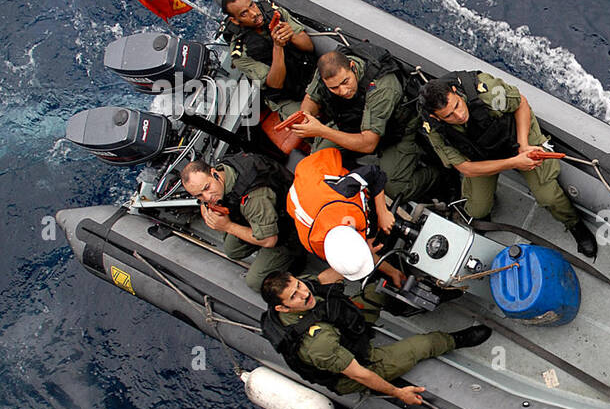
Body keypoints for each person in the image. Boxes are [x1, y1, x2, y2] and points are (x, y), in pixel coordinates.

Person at [416, 72, 598, 258]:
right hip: (481, 157)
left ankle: (574, 225)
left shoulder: (485, 93)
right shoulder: (435, 130)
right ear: (436, 117)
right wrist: (513, 163)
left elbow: (520, 104)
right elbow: (465, 168)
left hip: (516, 138)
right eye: (450, 115)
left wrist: (524, 146)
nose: (460, 114)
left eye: (457, 105)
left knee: (549, 197)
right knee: (477, 209)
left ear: (455, 91)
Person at [259, 271, 490, 403]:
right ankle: (455, 340)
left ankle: (419, 301)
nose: (304, 293)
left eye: (299, 286)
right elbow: (360, 374)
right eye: (294, 296)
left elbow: (323, 279)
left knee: (377, 289)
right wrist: (398, 393)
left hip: (345, 327)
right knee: (423, 345)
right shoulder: (319, 345)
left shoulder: (303, 291)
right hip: (356, 363)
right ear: (282, 308)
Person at [289, 48, 445, 202]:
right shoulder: (327, 73)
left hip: (396, 131)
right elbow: (311, 99)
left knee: (396, 189)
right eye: (334, 88)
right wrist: (306, 117)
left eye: (345, 82)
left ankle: (437, 173)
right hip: (354, 122)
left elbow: (369, 144)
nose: (343, 91)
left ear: (352, 67)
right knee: (318, 158)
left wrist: (321, 131)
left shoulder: (382, 87)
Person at [180, 154, 303, 290]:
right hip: (260, 217)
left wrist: (228, 226)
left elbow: (269, 240)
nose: (207, 197)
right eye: (199, 195)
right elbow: (206, 197)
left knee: (255, 282)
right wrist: (205, 206)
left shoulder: (254, 197)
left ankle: (292, 259)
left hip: (288, 229)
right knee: (232, 250)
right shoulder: (224, 170)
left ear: (214, 173)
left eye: (207, 188)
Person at [286, 146, 401, 283]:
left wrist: (383, 212)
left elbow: (374, 172)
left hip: (320, 168)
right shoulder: (318, 247)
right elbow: (354, 256)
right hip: (305, 198)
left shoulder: (343, 193)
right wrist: (393, 272)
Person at [220, 0, 318, 120]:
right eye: (244, 13)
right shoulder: (240, 54)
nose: (254, 13)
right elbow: (275, 84)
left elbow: (309, 47)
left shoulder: (275, 13)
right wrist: (278, 47)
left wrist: (291, 35)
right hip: (286, 95)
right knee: (304, 122)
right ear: (235, 20)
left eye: (251, 5)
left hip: (305, 71)